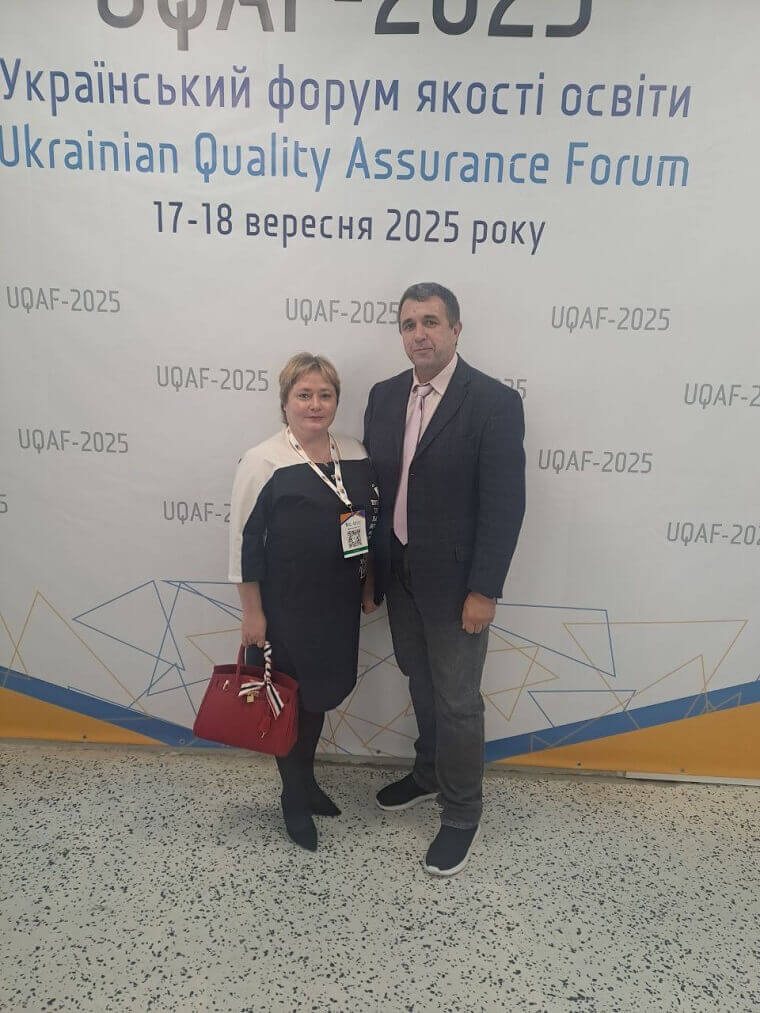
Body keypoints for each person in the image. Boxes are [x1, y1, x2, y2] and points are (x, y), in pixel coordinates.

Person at [362, 283, 525, 877]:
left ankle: (461, 813)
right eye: (409, 324)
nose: (419, 334)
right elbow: (376, 492)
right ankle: (429, 773)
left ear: (456, 330)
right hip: (400, 573)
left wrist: (485, 589)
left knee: (457, 701)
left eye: (431, 322)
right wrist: (370, 573)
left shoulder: (494, 402)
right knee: (420, 681)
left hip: (459, 587)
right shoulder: (383, 396)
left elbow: (504, 504)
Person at [228, 353, 378, 852]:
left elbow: (362, 525)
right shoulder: (263, 460)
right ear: (286, 401)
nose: (315, 404)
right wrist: (253, 613)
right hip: (286, 608)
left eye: (325, 395)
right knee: (288, 701)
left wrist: (366, 584)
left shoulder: (354, 452)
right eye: (304, 395)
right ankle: (293, 795)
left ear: (337, 400)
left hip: (337, 604)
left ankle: (308, 781)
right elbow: (244, 545)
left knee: (316, 697)